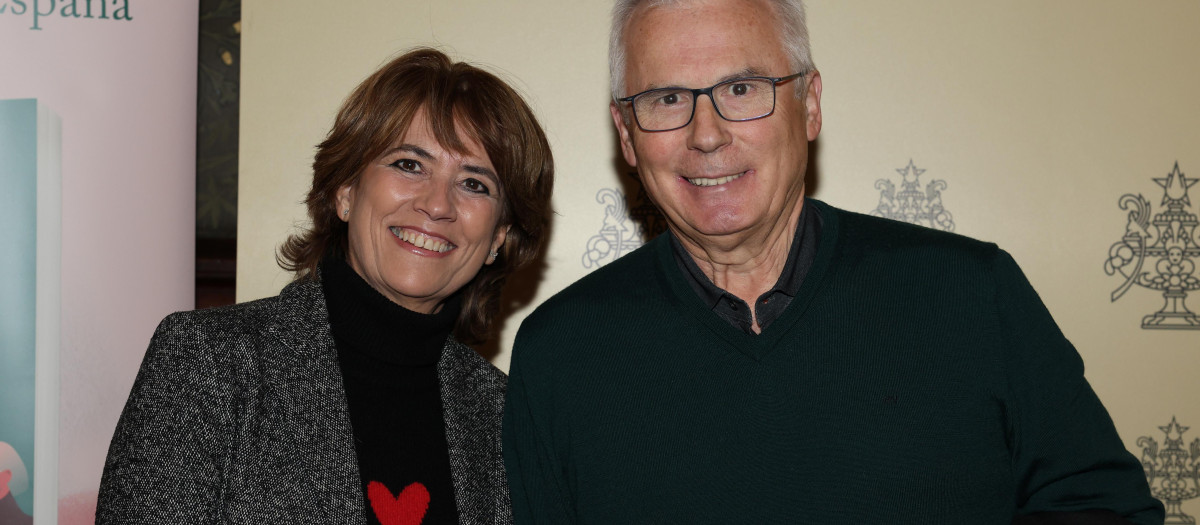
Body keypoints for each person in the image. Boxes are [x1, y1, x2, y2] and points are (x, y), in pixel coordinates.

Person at [502, 1, 1162, 523]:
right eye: (667, 99)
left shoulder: (972, 293)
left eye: (742, 86)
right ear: (627, 135)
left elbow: (1104, 507)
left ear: (810, 104)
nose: (705, 134)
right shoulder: (560, 353)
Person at [98, 47, 553, 525]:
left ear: (497, 237)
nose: (437, 204)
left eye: (475, 184)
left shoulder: (500, 413)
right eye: (409, 165)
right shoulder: (211, 363)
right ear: (346, 191)